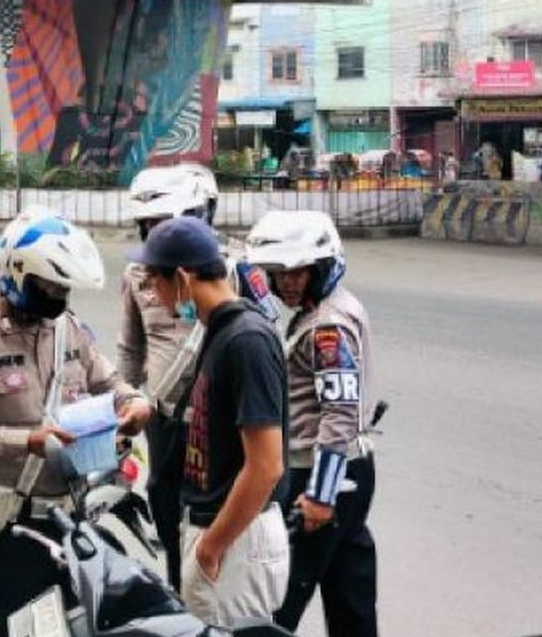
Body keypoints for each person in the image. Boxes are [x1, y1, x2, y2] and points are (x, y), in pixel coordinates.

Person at [0, 206, 152, 637]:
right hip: (1, 534)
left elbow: (109, 380)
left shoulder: (69, 329)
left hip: (66, 526)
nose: (58, 296)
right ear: (16, 274)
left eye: (63, 286)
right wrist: (26, 440)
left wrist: (133, 403)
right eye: (49, 284)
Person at [129, 216, 290, 628]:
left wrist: (211, 548)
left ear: (182, 278)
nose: (155, 297)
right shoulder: (219, 332)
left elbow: (267, 465)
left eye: (155, 283)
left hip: (234, 542)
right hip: (217, 533)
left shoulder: (246, 340)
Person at [245, 211, 380, 637]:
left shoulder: (327, 327)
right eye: (279, 273)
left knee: (277, 599)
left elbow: (338, 414)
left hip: (322, 475)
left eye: (297, 273)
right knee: (349, 593)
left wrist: (320, 497)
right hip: (352, 470)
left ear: (320, 268)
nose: (286, 282)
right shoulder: (328, 307)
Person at [118, 163, 224, 588]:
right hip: (163, 420)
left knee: (213, 518)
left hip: (215, 426)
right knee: (165, 508)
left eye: (164, 224)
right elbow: (131, 349)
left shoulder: (228, 273)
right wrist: (122, 409)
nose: (156, 236)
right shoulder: (137, 275)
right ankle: (181, 597)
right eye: (148, 227)